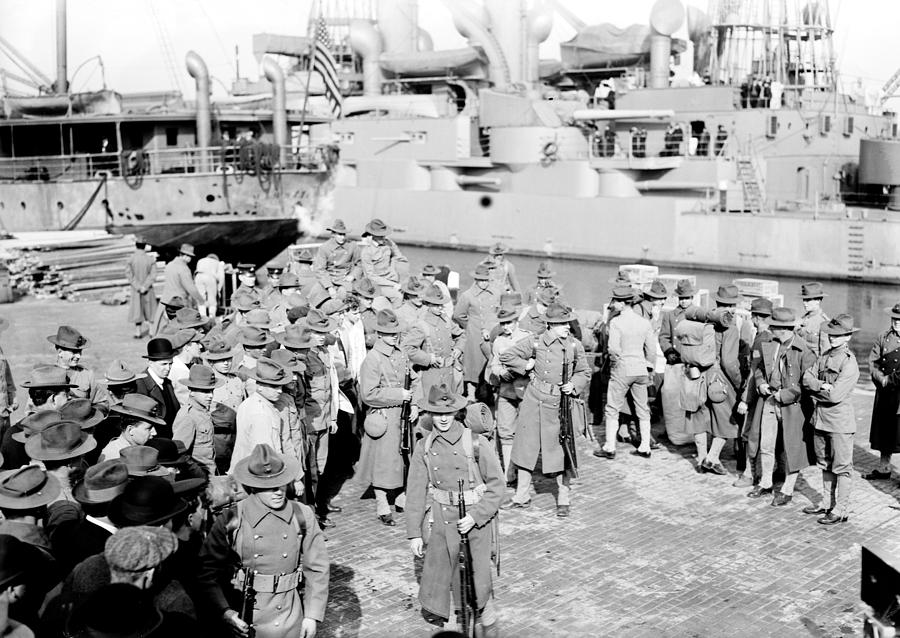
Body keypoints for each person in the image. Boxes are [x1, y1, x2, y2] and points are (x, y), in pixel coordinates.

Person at [197, 443, 330, 638]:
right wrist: (225, 611)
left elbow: (317, 567)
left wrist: (312, 614)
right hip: (245, 613)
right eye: (269, 487)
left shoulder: (302, 514)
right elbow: (207, 570)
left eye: (281, 483)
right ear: (253, 487)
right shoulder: (232, 518)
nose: (278, 492)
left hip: (289, 613)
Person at [406, 384, 503, 636]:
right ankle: (457, 626)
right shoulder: (424, 447)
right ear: (430, 414)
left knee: (478, 580)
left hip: (475, 521)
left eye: (448, 412)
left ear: (457, 412)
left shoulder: (476, 442)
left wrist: (475, 516)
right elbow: (415, 491)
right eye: (437, 414)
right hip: (441, 520)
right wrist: (414, 532)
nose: (443, 418)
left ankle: (487, 625)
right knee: (445, 577)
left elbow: (496, 486)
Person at [500, 302, 589, 516]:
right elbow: (507, 356)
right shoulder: (535, 342)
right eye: (561, 323)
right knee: (525, 447)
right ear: (550, 324)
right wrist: (526, 366)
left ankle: (564, 498)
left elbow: (584, 372)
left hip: (560, 403)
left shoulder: (574, 346)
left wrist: (574, 385)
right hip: (533, 400)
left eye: (567, 322)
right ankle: (521, 496)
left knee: (562, 450)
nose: (567, 326)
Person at [743, 308, 815, 506]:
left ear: (783, 329)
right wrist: (761, 384)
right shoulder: (769, 344)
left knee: (792, 447)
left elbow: (807, 384)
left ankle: (787, 489)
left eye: (774, 327)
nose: (771, 329)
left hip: (793, 406)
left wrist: (784, 394)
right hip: (770, 400)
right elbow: (758, 370)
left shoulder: (805, 351)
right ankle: (766, 483)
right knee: (766, 444)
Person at [801, 314, 860, 525]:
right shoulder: (824, 356)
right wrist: (820, 386)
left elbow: (835, 396)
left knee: (842, 467)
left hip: (840, 423)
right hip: (821, 419)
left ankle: (840, 509)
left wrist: (816, 389)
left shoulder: (849, 363)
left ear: (847, 338)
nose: (833, 338)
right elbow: (806, 378)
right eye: (831, 334)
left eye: (838, 335)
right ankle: (827, 503)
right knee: (825, 464)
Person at [358, 309, 413, 526]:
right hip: (385, 415)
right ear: (379, 333)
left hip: (404, 414)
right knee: (384, 461)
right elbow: (368, 394)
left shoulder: (401, 353)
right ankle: (382, 502)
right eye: (389, 333)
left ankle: (400, 496)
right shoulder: (373, 359)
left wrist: (415, 403)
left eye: (396, 332)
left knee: (402, 457)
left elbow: (413, 379)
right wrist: (399, 395)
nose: (394, 336)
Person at [596, 286, 656, 460]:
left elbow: (613, 349)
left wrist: (615, 364)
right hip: (641, 367)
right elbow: (651, 349)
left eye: (615, 301)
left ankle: (609, 447)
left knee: (612, 407)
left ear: (622, 303)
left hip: (622, 367)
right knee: (642, 408)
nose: (613, 304)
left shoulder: (616, 322)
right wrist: (648, 365)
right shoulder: (644, 322)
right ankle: (645, 446)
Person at [230, 359, 304, 496]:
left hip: (246, 475)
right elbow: (268, 457)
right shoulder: (262, 415)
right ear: (260, 386)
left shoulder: (249, 403)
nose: (279, 391)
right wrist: (293, 479)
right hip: (260, 480)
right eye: (274, 386)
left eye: (280, 386)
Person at [485, 304, 530, 479]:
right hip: (506, 391)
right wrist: (500, 372)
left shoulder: (527, 338)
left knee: (526, 431)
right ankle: (509, 473)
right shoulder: (498, 341)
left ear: (516, 321)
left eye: (509, 322)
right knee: (505, 431)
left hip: (525, 390)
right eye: (502, 323)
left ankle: (524, 470)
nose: (505, 327)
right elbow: (494, 364)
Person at [734, 298, 774, 487]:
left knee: (750, 433)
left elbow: (754, 372)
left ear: (756, 318)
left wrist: (744, 399)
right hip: (764, 393)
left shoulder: (761, 340)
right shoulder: (769, 336)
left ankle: (750, 474)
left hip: (757, 395)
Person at [404, 284, 466, 395]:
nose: (440, 308)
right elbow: (407, 348)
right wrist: (428, 358)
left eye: (441, 305)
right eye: (436, 305)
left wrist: (459, 348)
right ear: (428, 304)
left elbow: (461, 335)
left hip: (449, 373)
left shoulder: (446, 320)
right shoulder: (421, 325)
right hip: (430, 375)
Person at [865, 302, 900, 481]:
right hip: (885, 392)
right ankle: (884, 468)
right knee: (885, 430)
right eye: (894, 319)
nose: (897, 322)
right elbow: (873, 362)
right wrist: (880, 378)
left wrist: (891, 380)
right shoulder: (883, 337)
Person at [453, 264, 500, 396]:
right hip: (474, 333)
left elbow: (499, 310)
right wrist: (470, 326)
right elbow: (458, 315)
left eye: (486, 280)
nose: (484, 283)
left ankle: (489, 391)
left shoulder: (496, 292)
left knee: (491, 360)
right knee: (474, 364)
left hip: (492, 333)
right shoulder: (467, 295)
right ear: (476, 280)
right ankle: (472, 395)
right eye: (481, 280)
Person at [173, 365, 222, 476]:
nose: (210, 396)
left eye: (211, 391)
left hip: (211, 472)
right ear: (192, 391)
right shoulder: (188, 416)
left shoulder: (202, 411)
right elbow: (180, 453)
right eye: (205, 392)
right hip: (199, 477)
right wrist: (198, 474)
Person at [134, 338, 181, 438]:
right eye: (163, 364)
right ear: (150, 363)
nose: (168, 368)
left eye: (170, 364)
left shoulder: (167, 383)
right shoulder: (140, 385)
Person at [100, 394, 164, 462]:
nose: (155, 433)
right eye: (149, 428)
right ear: (130, 430)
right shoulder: (114, 457)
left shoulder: (139, 449)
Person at [48, 325, 103, 404]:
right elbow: (32, 410)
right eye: (74, 352)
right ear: (60, 352)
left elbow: (102, 403)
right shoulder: (44, 376)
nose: (78, 356)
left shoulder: (87, 375)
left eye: (80, 351)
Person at [359, 218, 406, 306]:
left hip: (392, 278)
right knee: (397, 296)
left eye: (384, 235)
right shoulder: (367, 252)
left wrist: (395, 271)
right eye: (380, 235)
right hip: (377, 284)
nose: (383, 237)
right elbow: (370, 276)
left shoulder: (389, 243)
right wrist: (392, 284)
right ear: (372, 235)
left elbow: (399, 257)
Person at [313, 219, 359, 296]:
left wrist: (353, 275)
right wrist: (329, 287)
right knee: (316, 296)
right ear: (333, 234)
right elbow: (320, 269)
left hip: (346, 279)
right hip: (329, 279)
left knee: (348, 297)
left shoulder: (352, 245)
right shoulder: (324, 248)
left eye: (344, 234)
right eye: (339, 234)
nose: (342, 237)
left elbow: (360, 263)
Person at [125, 241, 158, 339]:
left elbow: (129, 275)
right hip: (148, 288)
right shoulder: (150, 259)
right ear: (145, 246)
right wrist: (145, 286)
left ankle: (138, 332)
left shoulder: (131, 259)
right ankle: (152, 331)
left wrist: (138, 286)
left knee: (137, 309)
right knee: (150, 309)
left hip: (136, 289)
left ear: (136, 246)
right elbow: (153, 275)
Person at [160, 243, 204, 310]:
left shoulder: (169, 265)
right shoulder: (184, 268)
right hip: (179, 302)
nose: (191, 259)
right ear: (186, 256)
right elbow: (190, 288)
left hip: (165, 300)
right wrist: (201, 300)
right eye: (190, 257)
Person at [797, 282, 830, 356]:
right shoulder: (803, 319)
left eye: (808, 300)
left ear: (818, 301)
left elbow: (825, 353)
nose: (805, 303)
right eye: (804, 300)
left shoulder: (824, 323)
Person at [194, 252, 224, 319]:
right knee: (212, 300)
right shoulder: (218, 263)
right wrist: (218, 289)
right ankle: (211, 317)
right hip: (210, 277)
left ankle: (202, 318)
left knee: (201, 299)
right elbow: (221, 277)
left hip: (198, 277)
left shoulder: (200, 260)